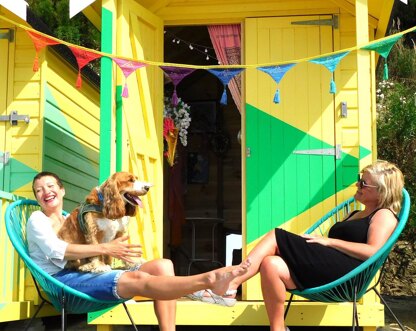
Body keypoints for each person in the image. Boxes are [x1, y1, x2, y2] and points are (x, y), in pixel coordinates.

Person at [27, 171, 251, 331]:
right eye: (39, 190)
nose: (45, 192)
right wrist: (107, 248)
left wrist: (114, 246)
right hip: (63, 282)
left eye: (50, 186)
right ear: (37, 197)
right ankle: (207, 281)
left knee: (163, 265)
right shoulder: (37, 219)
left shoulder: (70, 218)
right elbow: (59, 250)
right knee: (138, 277)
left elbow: (90, 248)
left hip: (87, 271)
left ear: (62, 190)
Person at [216, 160, 404, 331]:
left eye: (364, 183)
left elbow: (372, 252)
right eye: (359, 179)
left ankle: (232, 283)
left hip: (347, 278)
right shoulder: (355, 213)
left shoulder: (384, 215)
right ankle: (277, 328)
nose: (357, 185)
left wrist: (329, 241)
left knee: (276, 236)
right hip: (331, 268)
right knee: (270, 264)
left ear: (382, 191)